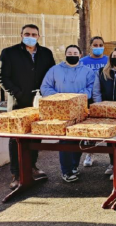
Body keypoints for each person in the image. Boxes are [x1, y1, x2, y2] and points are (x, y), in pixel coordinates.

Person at [0, 24, 55, 189]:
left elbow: (51, 74)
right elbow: (3, 77)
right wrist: (18, 92)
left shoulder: (46, 53)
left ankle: (32, 167)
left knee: (35, 135)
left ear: (38, 36)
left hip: (39, 102)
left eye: (33, 34)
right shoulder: (9, 53)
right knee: (16, 138)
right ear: (21, 35)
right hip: (18, 102)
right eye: (27, 33)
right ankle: (17, 174)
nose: (30, 36)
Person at [40, 45, 96, 183]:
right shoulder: (54, 70)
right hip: (61, 112)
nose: (72, 55)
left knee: (78, 138)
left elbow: (92, 87)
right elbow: (45, 87)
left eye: (75, 52)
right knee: (65, 140)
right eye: (69, 53)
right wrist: (61, 97)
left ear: (80, 54)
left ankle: (74, 165)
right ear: (65, 55)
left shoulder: (87, 71)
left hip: (79, 109)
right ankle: (66, 170)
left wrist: (77, 97)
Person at [93, 48, 116, 180]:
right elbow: (97, 91)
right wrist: (99, 107)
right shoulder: (102, 72)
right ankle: (112, 163)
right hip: (106, 110)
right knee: (110, 140)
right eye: (114, 56)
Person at [80, 36, 108, 168]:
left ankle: (112, 160)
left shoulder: (108, 60)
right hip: (88, 98)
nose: (98, 47)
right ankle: (89, 153)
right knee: (90, 129)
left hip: (105, 97)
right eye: (95, 45)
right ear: (90, 46)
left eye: (100, 45)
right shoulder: (83, 61)